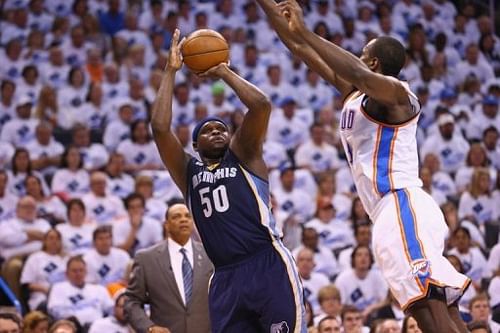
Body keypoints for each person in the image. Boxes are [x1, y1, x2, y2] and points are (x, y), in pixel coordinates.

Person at [258, 1, 470, 332]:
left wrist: (306, 30)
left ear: (372, 61)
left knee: (431, 307)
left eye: (362, 53)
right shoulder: (355, 95)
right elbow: (296, 45)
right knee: (428, 310)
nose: (356, 57)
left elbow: (354, 70)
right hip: (386, 213)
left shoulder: (400, 95)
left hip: (402, 202)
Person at [151, 29, 306, 332]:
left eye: (222, 128)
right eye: (208, 130)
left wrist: (223, 70)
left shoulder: (244, 156)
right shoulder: (188, 172)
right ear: (195, 146)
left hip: (266, 262)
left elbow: (260, 105)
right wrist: (170, 71)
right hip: (225, 276)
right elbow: (159, 127)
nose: (218, 131)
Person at [125, 202, 213, 333]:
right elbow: (132, 301)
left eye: (187, 216)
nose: (183, 219)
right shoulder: (146, 259)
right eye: (176, 216)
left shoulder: (210, 254)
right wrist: (149, 327)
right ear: (166, 225)